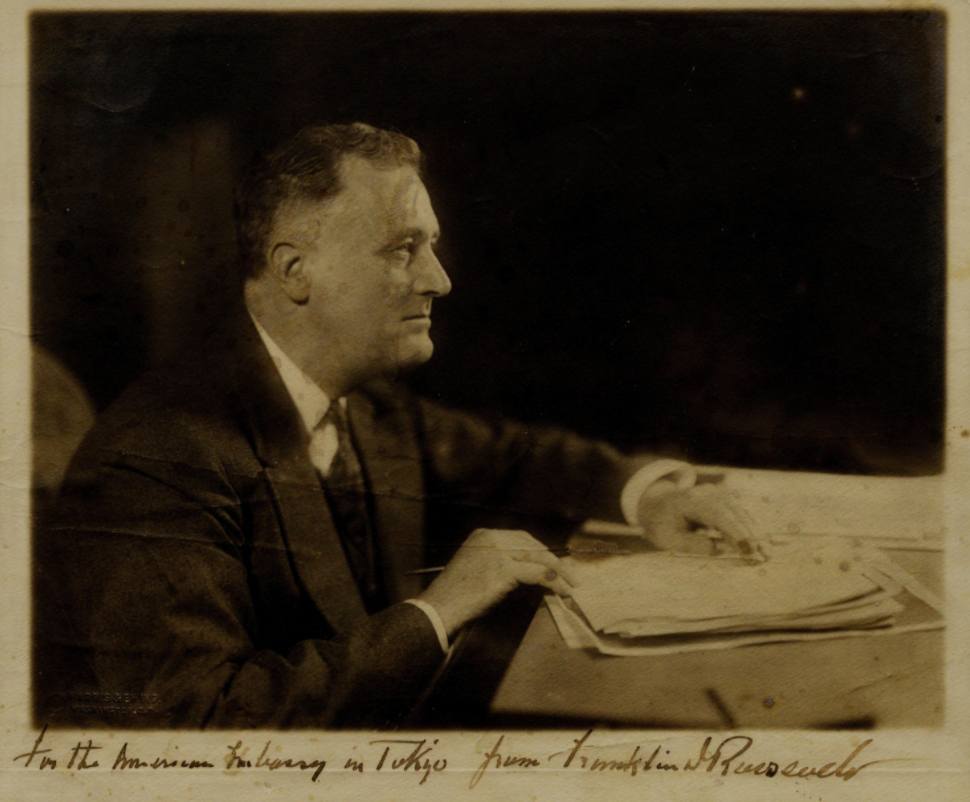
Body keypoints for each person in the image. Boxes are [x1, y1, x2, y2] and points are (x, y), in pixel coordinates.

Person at [34, 123, 758, 730]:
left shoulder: (367, 403)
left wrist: (646, 492)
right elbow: (203, 724)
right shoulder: (156, 458)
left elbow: (510, 457)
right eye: (402, 248)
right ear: (295, 270)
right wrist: (436, 612)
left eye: (431, 246)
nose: (438, 279)